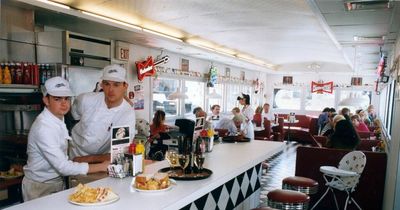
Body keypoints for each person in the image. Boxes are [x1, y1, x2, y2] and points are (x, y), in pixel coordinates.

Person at [22, 77, 109, 201]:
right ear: (46, 100)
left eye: (66, 98)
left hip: (56, 182)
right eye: (57, 99)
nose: (64, 103)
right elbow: (63, 166)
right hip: (39, 187)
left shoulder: (58, 119)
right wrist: (102, 166)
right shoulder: (44, 128)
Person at [69, 64, 136, 162]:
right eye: (107, 84)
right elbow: (73, 116)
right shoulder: (85, 99)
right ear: (102, 85)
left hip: (99, 160)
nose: (111, 89)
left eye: (116, 85)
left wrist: (85, 159)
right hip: (73, 154)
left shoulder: (126, 114)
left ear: (125, 86)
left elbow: (119, 153)